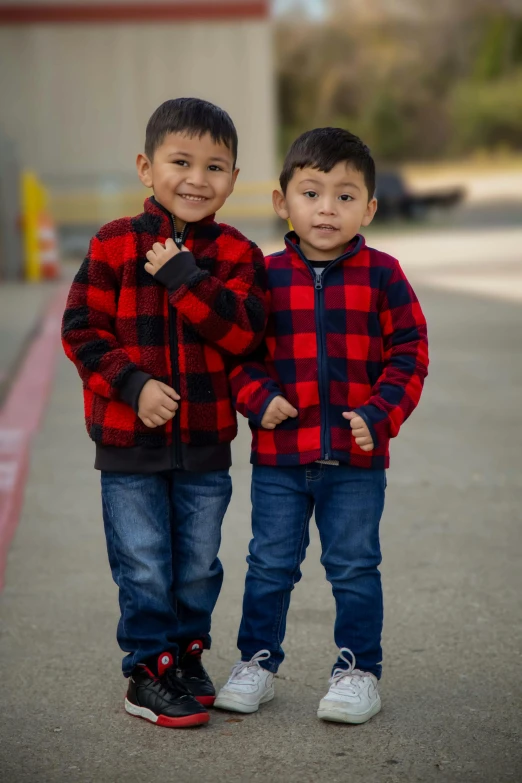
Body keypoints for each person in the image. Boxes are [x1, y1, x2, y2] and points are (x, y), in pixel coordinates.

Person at [62, 98, 267, 729]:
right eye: (181, 162)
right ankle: (147, 669)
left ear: (234, 179)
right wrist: (133, 384)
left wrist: (184, 277)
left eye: (216, 167)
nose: (198, 179)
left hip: (205, 443)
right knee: (145, 559)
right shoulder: (115, 243)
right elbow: (81, 330)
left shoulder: (235, 254)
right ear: (148, 168)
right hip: (128, 441)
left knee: (199, 561)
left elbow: (243, 335)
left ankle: (186, 653)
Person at [214, 127, 429, 724]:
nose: (327, 209)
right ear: (283, 201)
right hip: (282, 455)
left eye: (344, 195)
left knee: (355, 566)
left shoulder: (383, 275)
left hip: (358, 461)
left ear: (370, 207)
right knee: (270, 564)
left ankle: (358, 672)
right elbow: (238, 352)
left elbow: (409, 351)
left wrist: (381, 413)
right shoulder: (263, 274)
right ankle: (257, 662)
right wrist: (259, 397)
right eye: (311, 193)